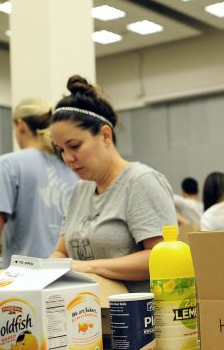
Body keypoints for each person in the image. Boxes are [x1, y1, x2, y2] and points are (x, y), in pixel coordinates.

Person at [49, 75, 177, 293]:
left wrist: (89, 267)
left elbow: (162, 257)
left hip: (138, 318)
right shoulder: (80, 190)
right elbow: (62, 252)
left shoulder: (141, 182)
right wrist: (45, 270)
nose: (68, 158)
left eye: (74, 146)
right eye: (61, 150)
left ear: (105, 135)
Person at [0, 98, 78, 266]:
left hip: (26, 276)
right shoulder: (71, 166)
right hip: (68, 273)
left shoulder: (8, 164)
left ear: (20, 125)